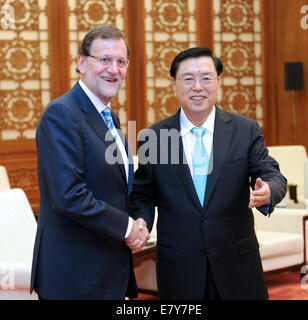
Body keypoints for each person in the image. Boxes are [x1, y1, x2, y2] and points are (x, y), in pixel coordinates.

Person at [129, 47, 287, 300]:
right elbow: (142, 195)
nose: (198, 87)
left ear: (218, 82)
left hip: (237, 267)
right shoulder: (155, 137)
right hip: (180, 269)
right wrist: (141, 220)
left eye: (206, 78)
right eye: (188, 79)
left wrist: (268, 191)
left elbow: (272, 174)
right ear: (174, 84)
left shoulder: (244, 130)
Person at [30, 25, 149, 300]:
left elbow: (118, 188)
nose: (114, 69)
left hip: (108, 273)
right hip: (74, 278)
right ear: (82, 63)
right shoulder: (62, 114)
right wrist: (129, 228)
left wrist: (140, 219)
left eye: (121, 62)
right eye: (104, 60)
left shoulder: (111, 118)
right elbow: (69, 195)